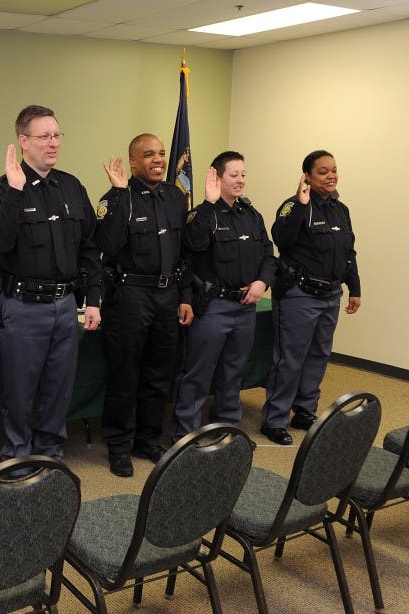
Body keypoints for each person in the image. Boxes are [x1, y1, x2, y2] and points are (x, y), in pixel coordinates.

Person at [0, 105, 102, 465]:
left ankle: (49, 452)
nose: (53, 143)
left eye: (56, 135)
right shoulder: (3, 188)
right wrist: (17, 193)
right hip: (22, 306)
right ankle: (18, 454)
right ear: (23, 141)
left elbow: (89, 247)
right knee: (20, 390)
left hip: (65, 304)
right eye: (44, 137)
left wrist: (93, 299)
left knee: (59, 387)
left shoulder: (71, 186)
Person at [95, 134, 193, 477]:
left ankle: (148, 439)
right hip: (130, 297)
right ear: (133, 162)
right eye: (148, 154)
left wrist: (184, 296)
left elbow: (184, 253)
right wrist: (120, 194)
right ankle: (119, 444)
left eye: (162, 154)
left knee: (158, 372)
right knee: (125, 374)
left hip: (167, 295)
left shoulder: (174, 197)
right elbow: (105, 244)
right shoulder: (116, 198)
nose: (158, 160)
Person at [170, 151, 277, 443]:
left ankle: (227, 430)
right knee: (198, 373)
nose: (240, 180)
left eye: (243, 174)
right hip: (213, 307)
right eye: (234, 174)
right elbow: (192, 245)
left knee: (234, 371)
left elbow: (269, 256)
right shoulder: (204, 214)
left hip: (245, 307)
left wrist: (261, 283)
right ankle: (185, 435)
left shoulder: (252, 215)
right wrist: (208, 203)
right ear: (217, 176)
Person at [260, 150, 361, 445]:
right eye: (323, 171)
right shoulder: (294, 206)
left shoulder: (340, 209)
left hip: (331, 295)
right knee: (289, 360)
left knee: (318, 356)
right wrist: (303, 206)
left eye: (334, 170)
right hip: (299, 295)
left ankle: (304, 410)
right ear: (307, 176)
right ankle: (274, 420)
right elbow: (281, 238)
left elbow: (348, 252)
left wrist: (354, 288)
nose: (331, 176)